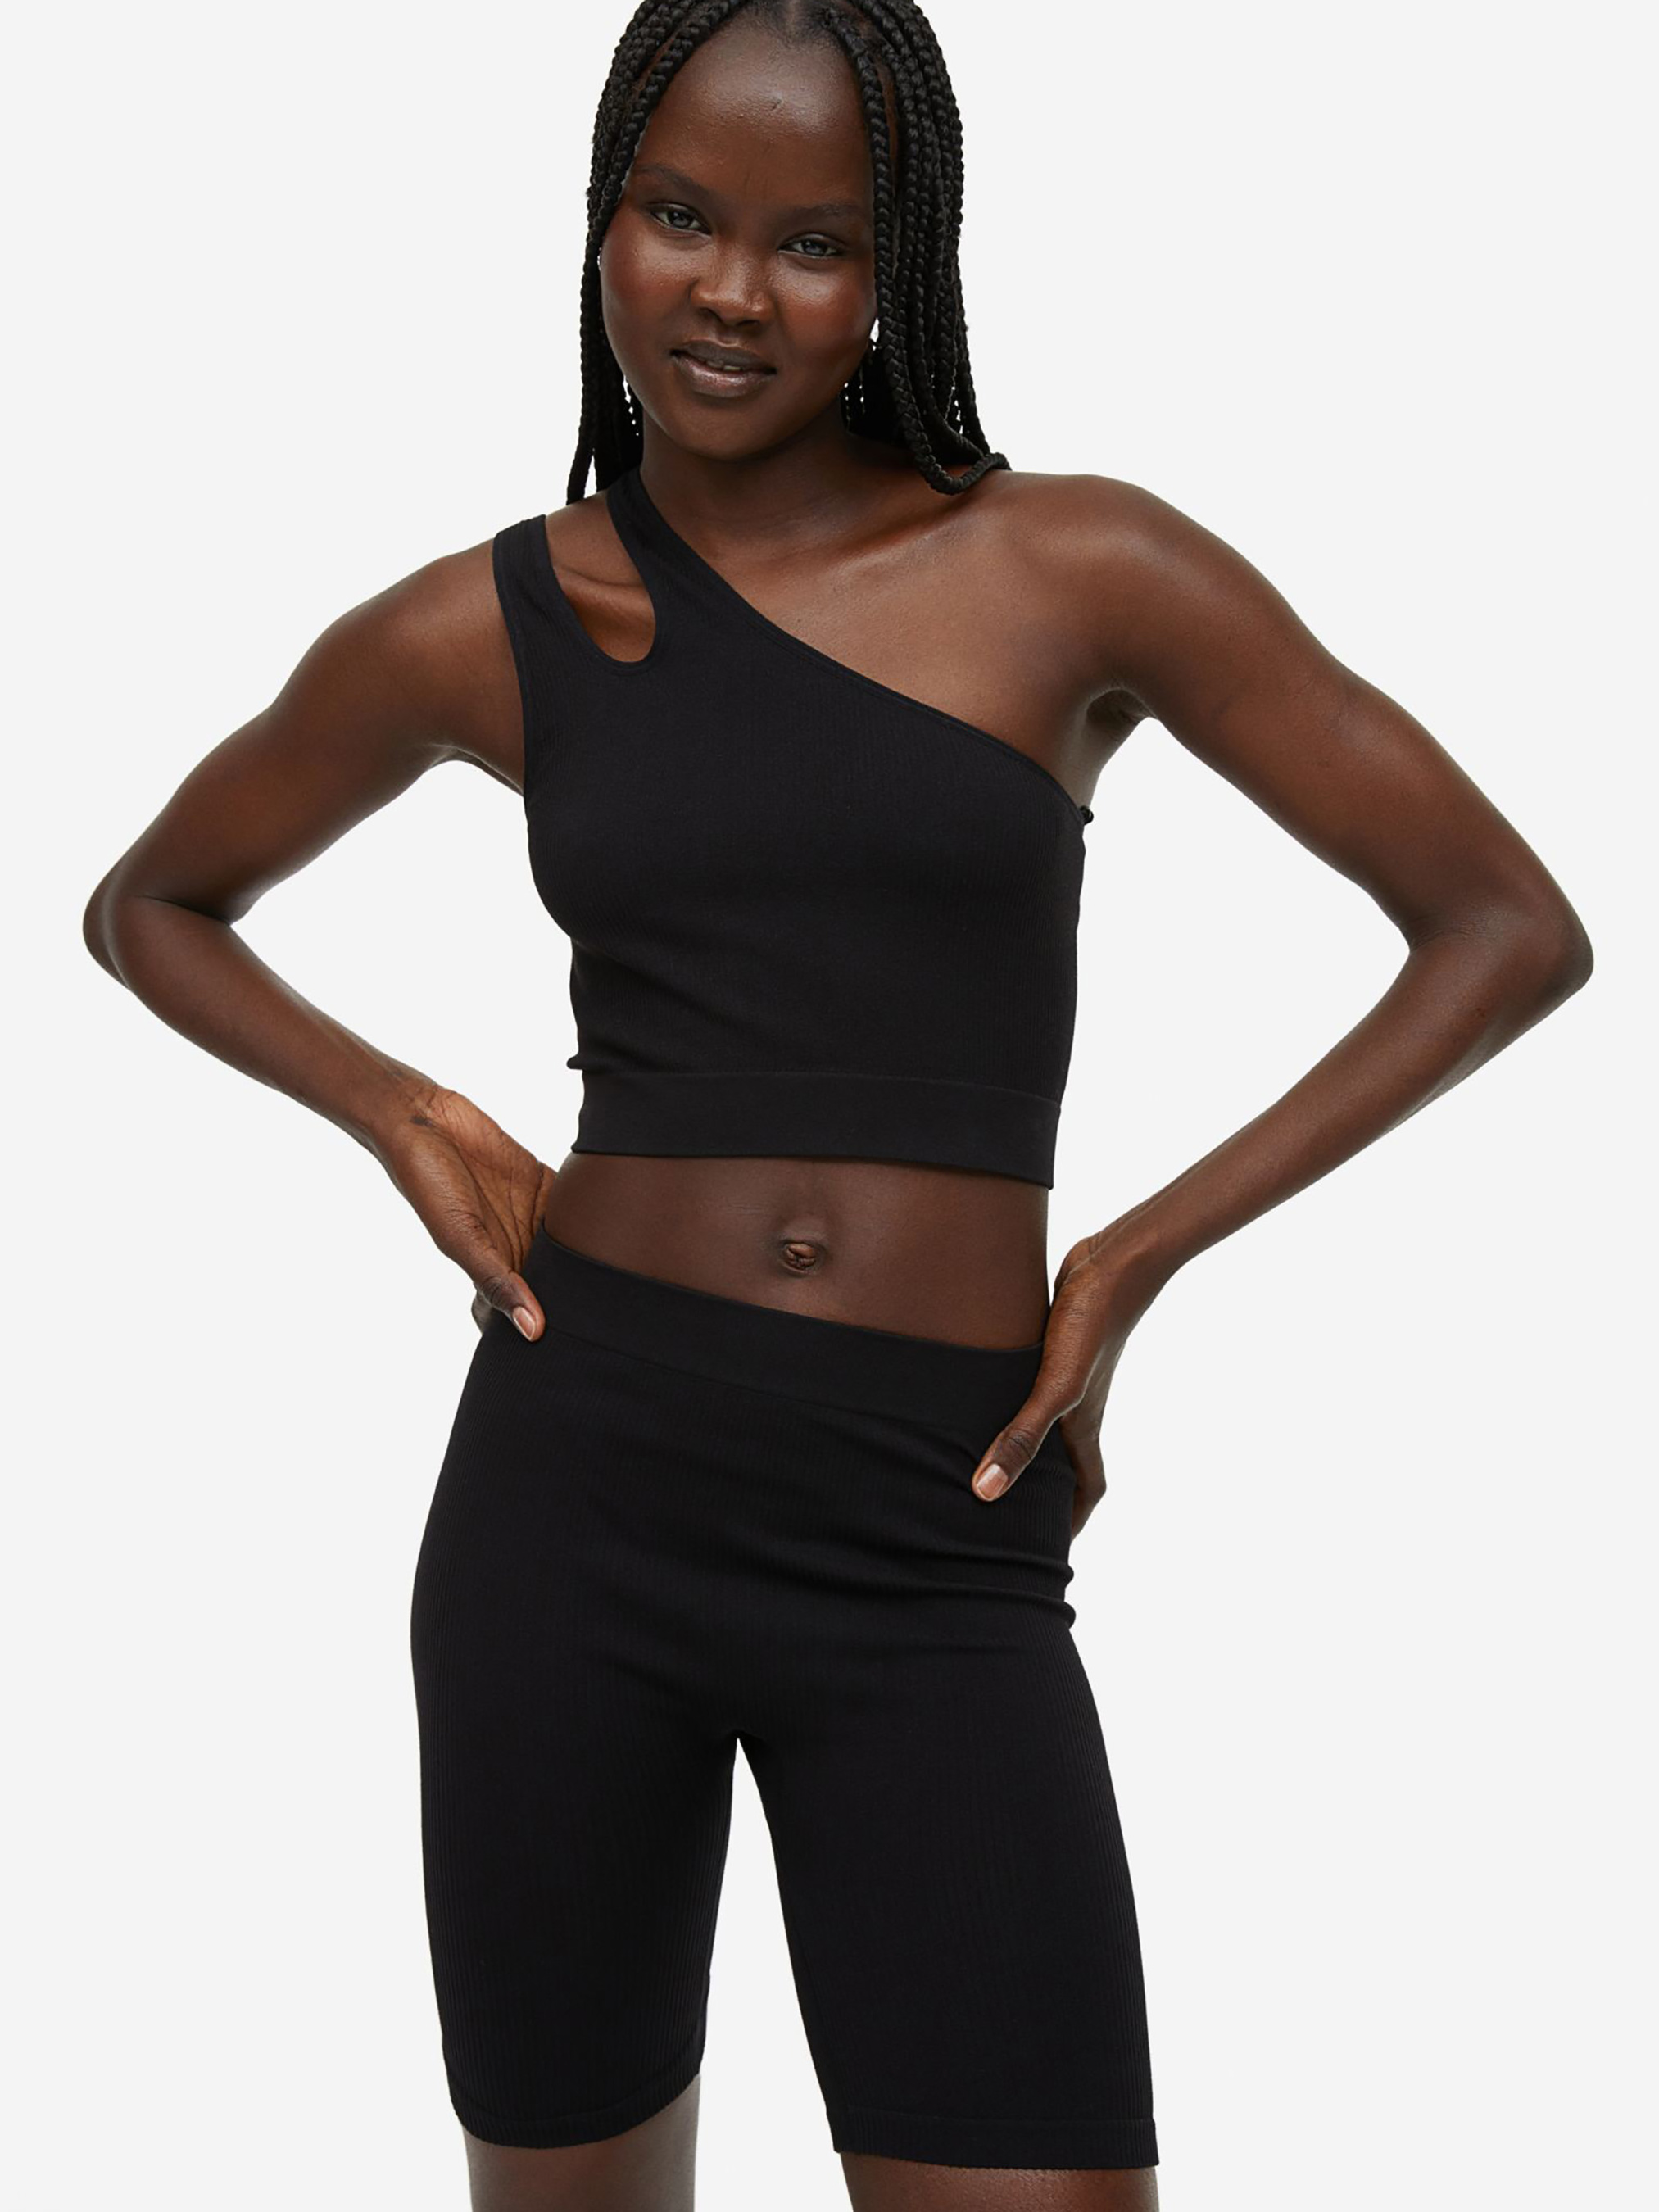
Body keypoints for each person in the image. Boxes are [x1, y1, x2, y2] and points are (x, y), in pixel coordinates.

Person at [80, 2, 1593, 2207]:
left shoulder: (1077, 569)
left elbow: (1501, 927)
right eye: (679, 216)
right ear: (602, 221)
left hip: (933, 1517)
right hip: (574, 1500)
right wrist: (396, 1108)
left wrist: (1131, 1257)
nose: (729, 292)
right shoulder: (488, 623)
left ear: (902, 270)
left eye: (812, 242)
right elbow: (153, 906)